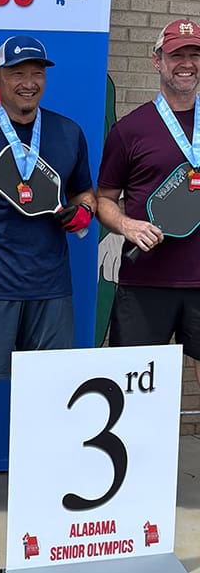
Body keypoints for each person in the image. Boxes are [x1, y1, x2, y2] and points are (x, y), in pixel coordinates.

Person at [0, 35, 95, 527]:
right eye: (17, 73)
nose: (29, 82)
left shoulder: (68, 132)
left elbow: (85, 193)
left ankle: (46, 479)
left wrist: (83, 214)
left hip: (51, 285)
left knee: (50, 390)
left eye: (37, 73)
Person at [96, 19, 200, 382]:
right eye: (176, 55)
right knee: (133, 386)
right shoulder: (130, 129)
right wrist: (126, 225)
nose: (186, 63)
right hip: (144, 283)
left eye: (194, 54)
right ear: (158, 61)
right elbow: (104, 199)